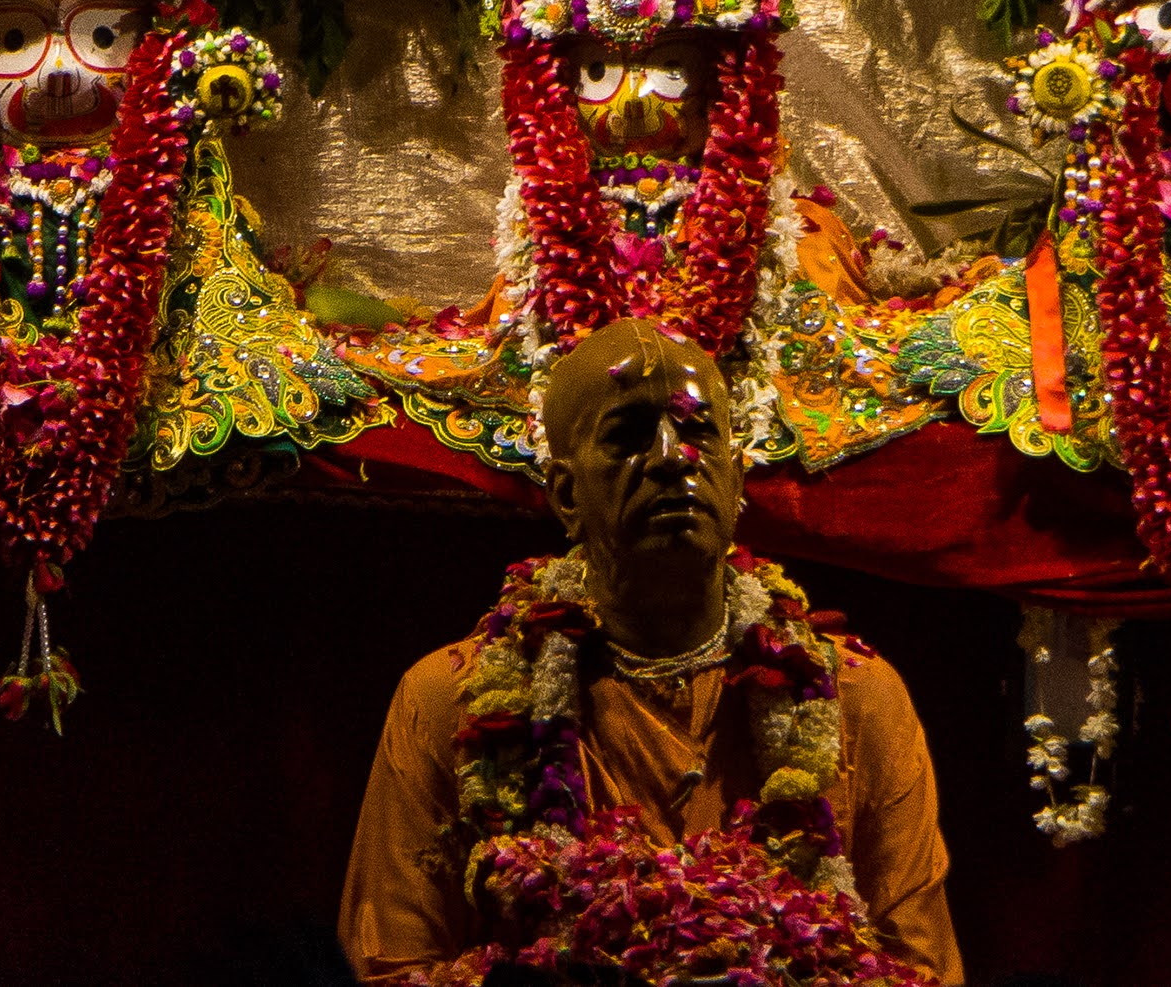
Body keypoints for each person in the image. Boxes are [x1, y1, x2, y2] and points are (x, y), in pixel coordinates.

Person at [340, 318, 964, 983]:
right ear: (566, 494)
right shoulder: (452, 699)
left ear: (735, 473)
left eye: (697, 430)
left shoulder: (856, 696)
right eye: (629, 436)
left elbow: (920, 968)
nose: (671, 457)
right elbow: (395, 966)